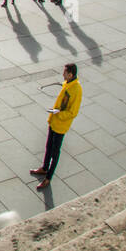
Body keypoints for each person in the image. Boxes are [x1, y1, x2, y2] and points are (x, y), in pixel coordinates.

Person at [30, 62, 82, 190]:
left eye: (64, 72)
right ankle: (44, 167)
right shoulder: (68, 84)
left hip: (61, 125)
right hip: (54, 122)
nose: (62, 74)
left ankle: (48, 178)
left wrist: (59, 114)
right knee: (48, 146)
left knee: (55, 151)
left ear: (70, 74)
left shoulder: (76, 90)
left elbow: (73, 112)